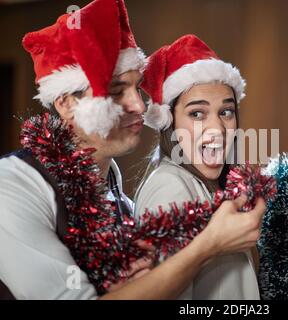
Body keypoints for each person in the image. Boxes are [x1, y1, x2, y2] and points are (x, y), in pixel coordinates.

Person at [0, 0, 265, 300]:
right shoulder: (12, 184)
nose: (139, 105)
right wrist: (208, 245)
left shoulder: (120, 202)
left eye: (137, 87)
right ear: (65, 103)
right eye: (115, 91)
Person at [135, 34, 260, 300]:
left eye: (226, 111)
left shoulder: (223, 188)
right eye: (197, 114)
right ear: (170, 124)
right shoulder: (170, 188)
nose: (217, 128)